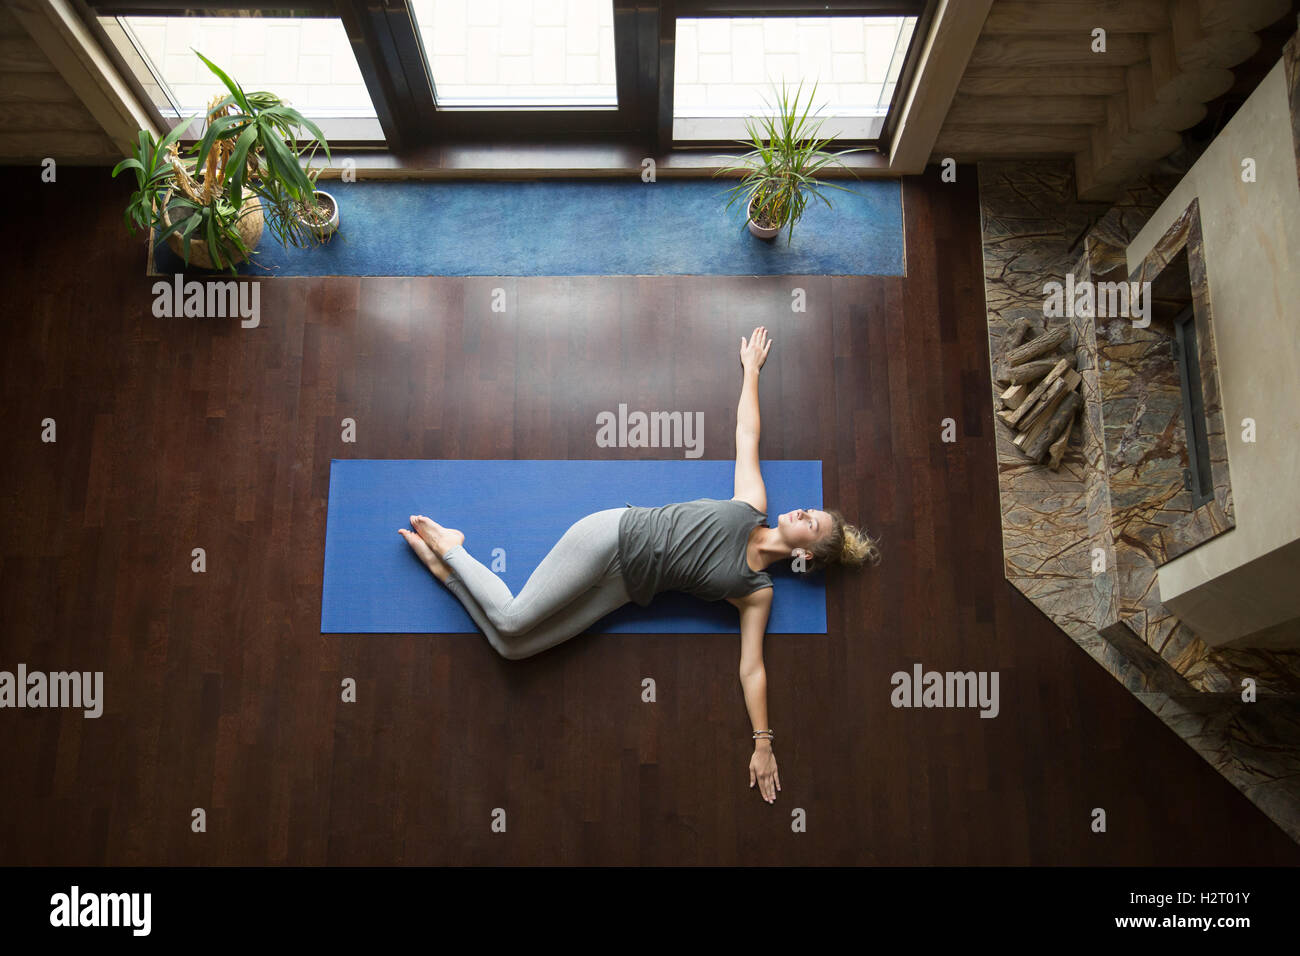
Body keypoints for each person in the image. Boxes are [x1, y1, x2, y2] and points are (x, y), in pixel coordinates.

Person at [399, 326, 880, 802]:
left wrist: (763, 743)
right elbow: (746, 432)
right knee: (511, 617)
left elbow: (752, 668)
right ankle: (452, 549)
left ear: (804, 556)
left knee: (513, 650)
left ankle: (449, 577)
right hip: (612, 536)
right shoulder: (751, 503)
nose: (801, 512)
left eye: (810, 524)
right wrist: (750, 371)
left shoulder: (756, 591)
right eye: (810, 510)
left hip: (624, 591)